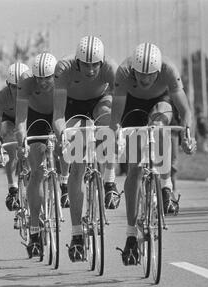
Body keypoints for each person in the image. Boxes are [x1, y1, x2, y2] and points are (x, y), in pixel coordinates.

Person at [109, 43, 195, 265]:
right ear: (133, 70)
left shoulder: (169, 69)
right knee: (134, 169)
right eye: (141, 75)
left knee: (160, 123)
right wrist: (116, 137)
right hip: (131, 107)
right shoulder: (124, 72)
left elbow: (185, 110)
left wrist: (188, 136)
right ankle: (130, 234)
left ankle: (166, 186)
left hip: (161, 102)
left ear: (158, 71)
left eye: (150, 76)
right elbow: (116, 116)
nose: (145, 80)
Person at [52, 36, 120, 262]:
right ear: (78, 62)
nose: (90, 70)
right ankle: (77, 235)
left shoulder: (111, 67)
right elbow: (59, 116)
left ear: (101, 63)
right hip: (72, 106)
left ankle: (110, 180)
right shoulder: (64, 68)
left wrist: (117, 128)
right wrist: (63, 135)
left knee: (108, 127)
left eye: (95, 65)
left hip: (101, 101)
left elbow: (122, 105)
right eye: (86, 65)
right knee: (78, 165)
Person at [15, 53, 58, 257]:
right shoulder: (26, 83)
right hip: (35, 119)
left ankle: (64, 183)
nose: (42, 82)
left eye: (46, 78)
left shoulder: (62, 81)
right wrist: (22, 139)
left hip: (58, 115)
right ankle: (34, 230)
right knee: (38, 171)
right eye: (38, 78)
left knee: (66, 147)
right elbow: (21, 119)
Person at [0, 62, 30, 215]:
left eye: (21, 87)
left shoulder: (34, 91)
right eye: (14, 87)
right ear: (8, 85)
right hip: (10, 120)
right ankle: (12, 188)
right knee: (10, 139)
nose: (18, 91)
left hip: (28, 118)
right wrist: (1, 150)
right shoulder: (0, 95)